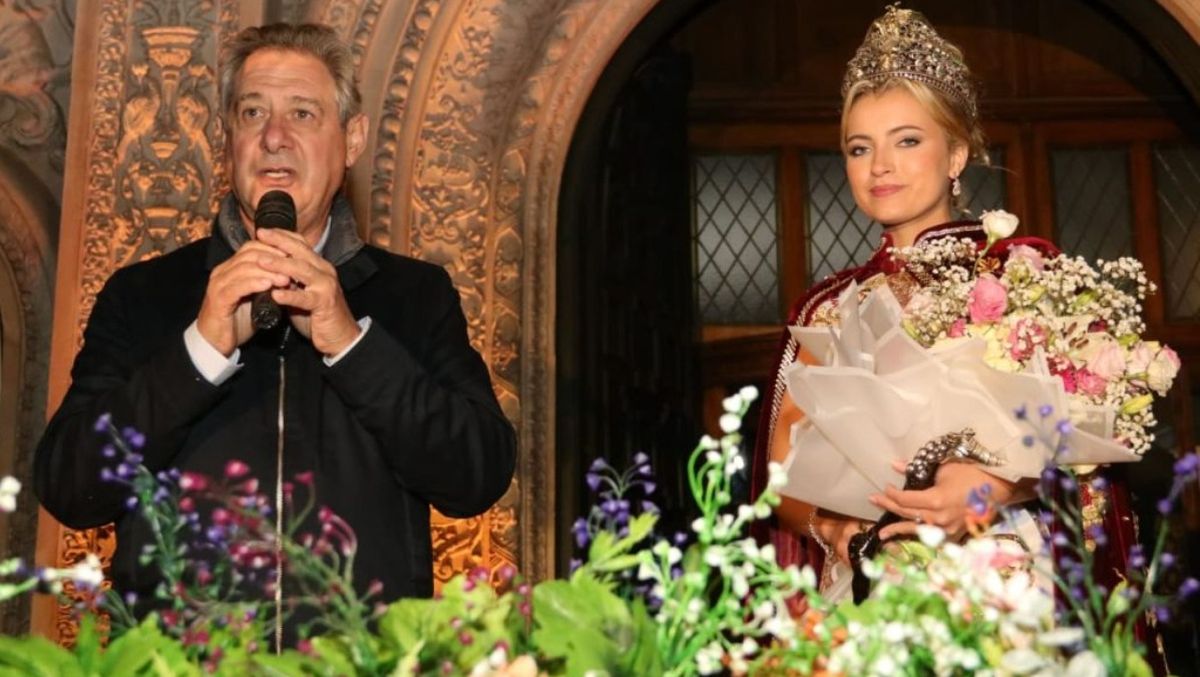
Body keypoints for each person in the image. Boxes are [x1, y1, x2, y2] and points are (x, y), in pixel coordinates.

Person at [34, 23, 516, 644]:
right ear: (227, 139)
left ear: (352, 140)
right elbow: (70, 486)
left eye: (303, 113)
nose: (274, 137)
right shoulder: (143, 296)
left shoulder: (414, 297)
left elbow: (476, 475)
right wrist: (198, 353)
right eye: (253, 112)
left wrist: (352, 344)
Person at [750, 5, 1151, 638]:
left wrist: (988, 489)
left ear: (957, 153)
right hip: (872, 585)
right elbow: (782, 476)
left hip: (1004, 582)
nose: (880, 165)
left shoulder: (1024, 277)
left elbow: (1088, 449)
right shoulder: (825, 309)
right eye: (859, 147)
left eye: (907, 140)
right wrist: (837, 530)